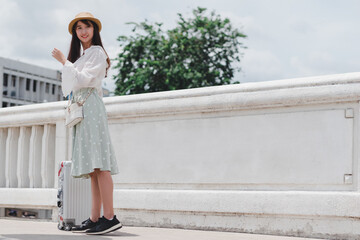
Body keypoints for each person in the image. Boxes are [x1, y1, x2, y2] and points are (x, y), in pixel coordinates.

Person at [52, 12, 122, 235]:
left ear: (94, 30)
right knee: (93, 167)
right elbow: (72, 84)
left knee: (100, 163)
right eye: (79, 28)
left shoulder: (97, 52)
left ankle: (110, 217)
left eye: (87, 27)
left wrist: (64, 61)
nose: (83, 31)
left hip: (90, 107)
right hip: (83, 108)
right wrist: (69, 63)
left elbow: (82, 80)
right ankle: (94, 217)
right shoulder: (84, 55)